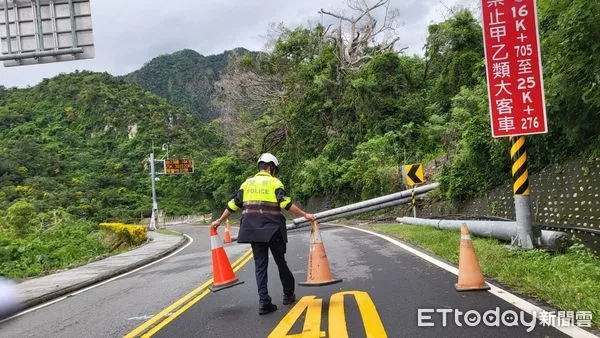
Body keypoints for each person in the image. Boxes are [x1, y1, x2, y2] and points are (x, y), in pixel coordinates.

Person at [211, 153, 316, 315]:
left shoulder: (246, 184)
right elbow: (285, 203)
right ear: (271, 167)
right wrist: (305, 214)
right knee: (281, 262)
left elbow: (233, 204)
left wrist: (219, 220)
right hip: (273, 230)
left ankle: (264, 302)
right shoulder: (274, 182)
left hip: (253, 230)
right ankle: (288, 295)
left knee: (260, 266)